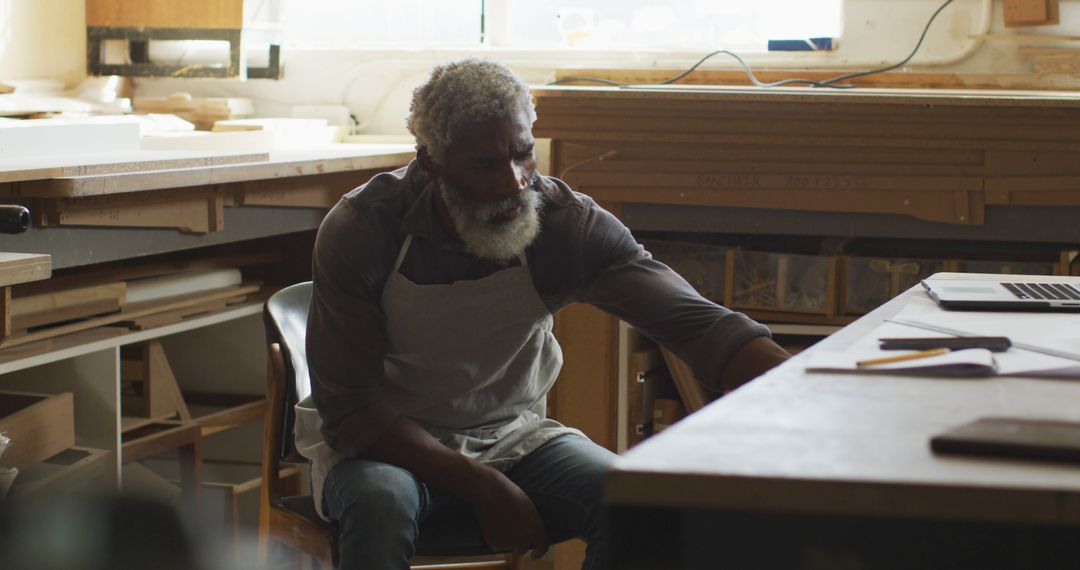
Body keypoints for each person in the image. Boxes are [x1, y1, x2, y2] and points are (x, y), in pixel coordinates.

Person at [295, 58, 790, 570]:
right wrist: (483, 487)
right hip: (384, 445)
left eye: (523, 154)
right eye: (486, 165)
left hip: (510, 435)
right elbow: (353, 413)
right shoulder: (364, 229)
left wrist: (810, 389)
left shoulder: (565, 228)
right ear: (432, 163)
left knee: (637, 505)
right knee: (381, 503)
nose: (514, 183)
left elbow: (702, 326)